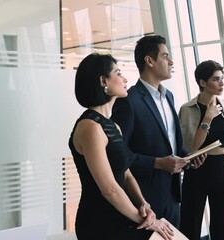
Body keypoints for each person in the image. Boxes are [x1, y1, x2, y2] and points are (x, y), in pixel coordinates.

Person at [68, 53, 173, 240]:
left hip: (123, 214)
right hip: (100, 222)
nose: (125, 79)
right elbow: (109, 188)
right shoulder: (90, 127)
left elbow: (126, 174)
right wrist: (149, 222)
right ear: (103, 81)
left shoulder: (113, 126)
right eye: (118, 73)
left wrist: (144, 204)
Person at [111, 35, 204, 228]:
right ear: (149, 60)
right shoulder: (129, 101)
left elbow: (170, 143)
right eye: (165, 56)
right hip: (145, 202)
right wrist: (158, 163)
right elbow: (119, 156)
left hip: (172, 196)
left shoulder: (168, 96)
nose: (171, 62)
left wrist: (188, 158)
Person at [178, 60, 224, 240]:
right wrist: (207, 118)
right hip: (197, 169)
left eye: (222, 78)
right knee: (190, 223)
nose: (221, 83)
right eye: (216, 79)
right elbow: (188, 145)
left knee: (222, 223)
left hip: (221, 168)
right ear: (203, 83)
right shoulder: (186, 109)